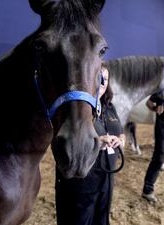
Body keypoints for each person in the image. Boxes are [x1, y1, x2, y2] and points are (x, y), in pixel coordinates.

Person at [55, 65, 125, 225]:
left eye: (105, 79)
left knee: (101, 220)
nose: (101, 83)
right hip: (83, 182)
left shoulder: (108, 106)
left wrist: (119, 141)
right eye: (97, 78)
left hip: (106, 178)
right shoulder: (75, 108)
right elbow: (66, 144)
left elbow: (121, 133)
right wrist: (97, 143)